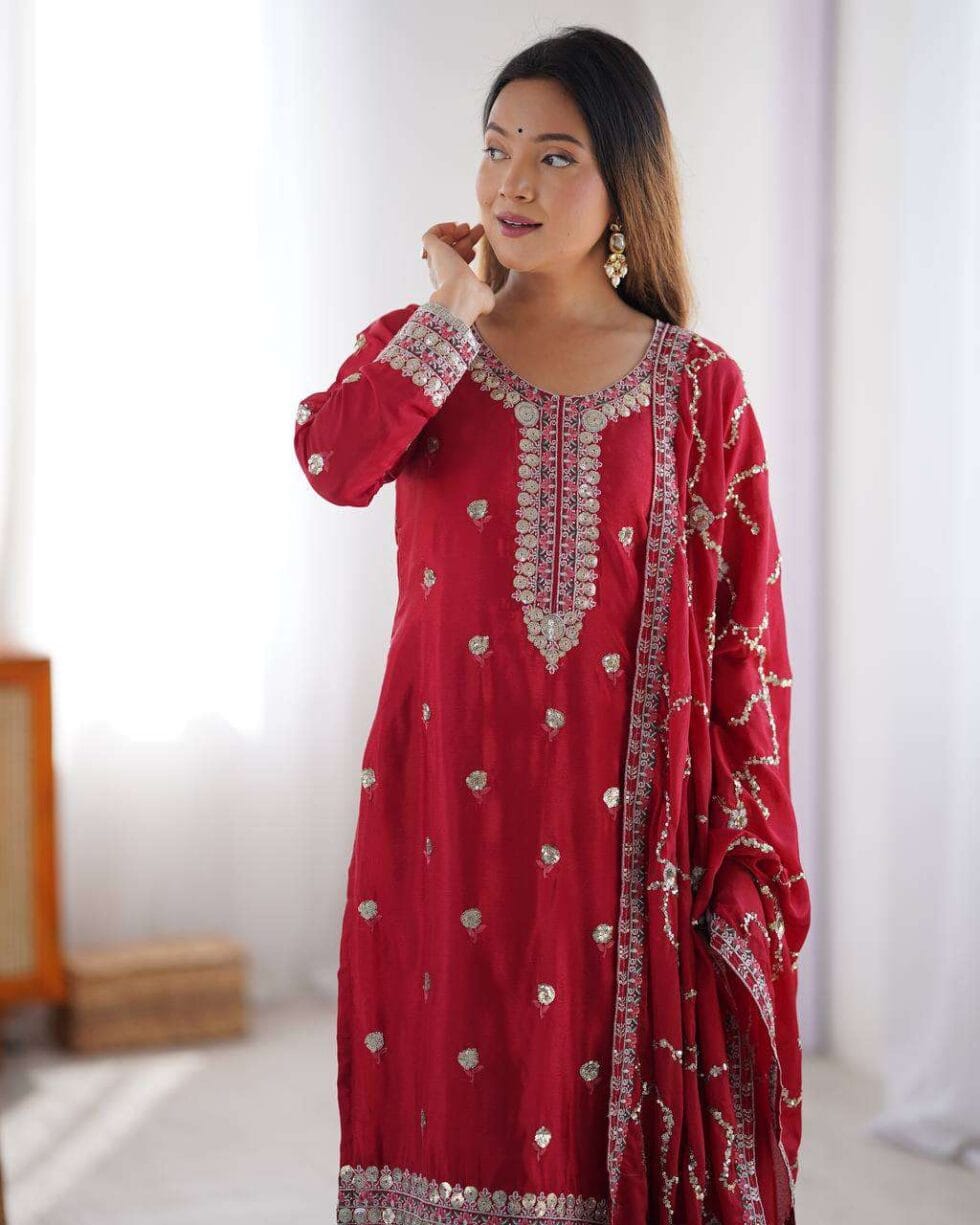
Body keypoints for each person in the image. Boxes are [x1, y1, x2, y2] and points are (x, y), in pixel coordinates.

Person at [295, 24, 811, 1225]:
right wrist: (450, 309)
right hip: (445, 807)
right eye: (495, 148)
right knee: (450, 1089)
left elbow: (743, 645)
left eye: (554, 155)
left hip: (627, 841)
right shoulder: (425, 350)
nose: (511, 182)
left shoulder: (697, 387)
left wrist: (730, 857)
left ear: (622, 178)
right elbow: (331, 461)